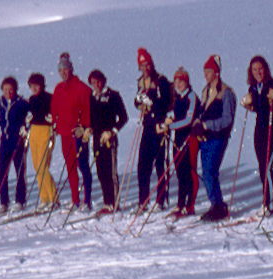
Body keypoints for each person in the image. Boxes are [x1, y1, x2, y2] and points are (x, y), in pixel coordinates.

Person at [241, 56, 273, 216]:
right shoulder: (253, 88)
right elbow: (258, 109)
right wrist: (248, 105)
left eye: (260, 68)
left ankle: (268, 205)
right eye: (254, 69)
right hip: (260, 129)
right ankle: (266, 203)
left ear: (266, 69)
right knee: (262, 166)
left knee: (267, 166)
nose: (258, 72)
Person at [192, 55, 236, 222]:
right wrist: (198, 122)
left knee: (210, 171)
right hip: (206, 138)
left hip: (218, 137)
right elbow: (202, 111)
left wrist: (206, 125)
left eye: (209, 71)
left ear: (216, 73)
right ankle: (216, 204)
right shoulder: (206, 91)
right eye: (205, 71)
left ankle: (218, 205)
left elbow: (227, 120)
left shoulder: (226, 92)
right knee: (208, 172)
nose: (206, 75)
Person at [50, 53, 94, 210]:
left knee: (83, 165)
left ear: (71, 70)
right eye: (60, 70)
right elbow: (54, 108)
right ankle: (75, 199)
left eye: (65, 69)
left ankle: (87, 200)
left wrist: (85, 126)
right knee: (70, 166)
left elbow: (89, 108)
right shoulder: (59, 88)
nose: (63, 73)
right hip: (65, 133)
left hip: (78, 134)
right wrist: (54, 123)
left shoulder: (81, 88)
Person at [133, 48, 173, 211]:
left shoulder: (160, 80)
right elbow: (137, 101)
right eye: (142, 65)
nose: (145, 68)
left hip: (160, 126)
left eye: (147, 64)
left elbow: (165, 102)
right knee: (143, 165)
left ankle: (160, 200)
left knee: (160, 165)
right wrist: (140, 103)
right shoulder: (141, 81)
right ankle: (143, 200)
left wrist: (150, 102)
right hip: (147, 126)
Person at [86, 69, 128, 215]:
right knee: (100, 171)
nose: (96, 85)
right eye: (92, 83)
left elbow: (123, 117)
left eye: (98, 81)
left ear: (103, 81)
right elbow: (91, 118)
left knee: (110, 172)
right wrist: (89, 129)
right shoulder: (92, 97)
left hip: (109, 139)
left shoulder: (113, 96)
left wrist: (112, 131)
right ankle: (106, 202)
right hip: (97, 139)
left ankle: (114, 203)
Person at [160, 67, 200, 217]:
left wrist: (170, 126)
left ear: (187, 82)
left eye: (181, 81)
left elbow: (188, 120)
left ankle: (190, 205)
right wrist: (169, 121)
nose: (178, 84)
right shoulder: (178, 97)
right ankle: (180, 203)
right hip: (178, 138)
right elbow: (177, 116)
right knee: (180, 172)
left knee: (189, 172)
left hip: (190, 138)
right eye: (176, 81)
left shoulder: (191, 97)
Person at [0, 76, 31, 212]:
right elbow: (1, 117)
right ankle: (4, 201)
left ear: (15, 89)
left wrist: (26, 126)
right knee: (2, 170)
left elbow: (32, 113)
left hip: (18, 139)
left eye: (11, 89)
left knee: (19, 169)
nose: (8, 92)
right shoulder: (0, 101)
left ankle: (20, 200)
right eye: (5, 89)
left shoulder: (22, 102)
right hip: (5, 139)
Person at [27, 73, 57, 207]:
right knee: (36, 166)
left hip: (46, 131)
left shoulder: (50, 98)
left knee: (43, 166)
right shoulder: (32, 99)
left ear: (42, 85)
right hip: (34, 131)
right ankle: (44, 198)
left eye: (36, 86)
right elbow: (31, 114)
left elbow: (57, 113)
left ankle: (53, 198)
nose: (34, 88)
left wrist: (54, 120)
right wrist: (28, 120)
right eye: (32, 86)